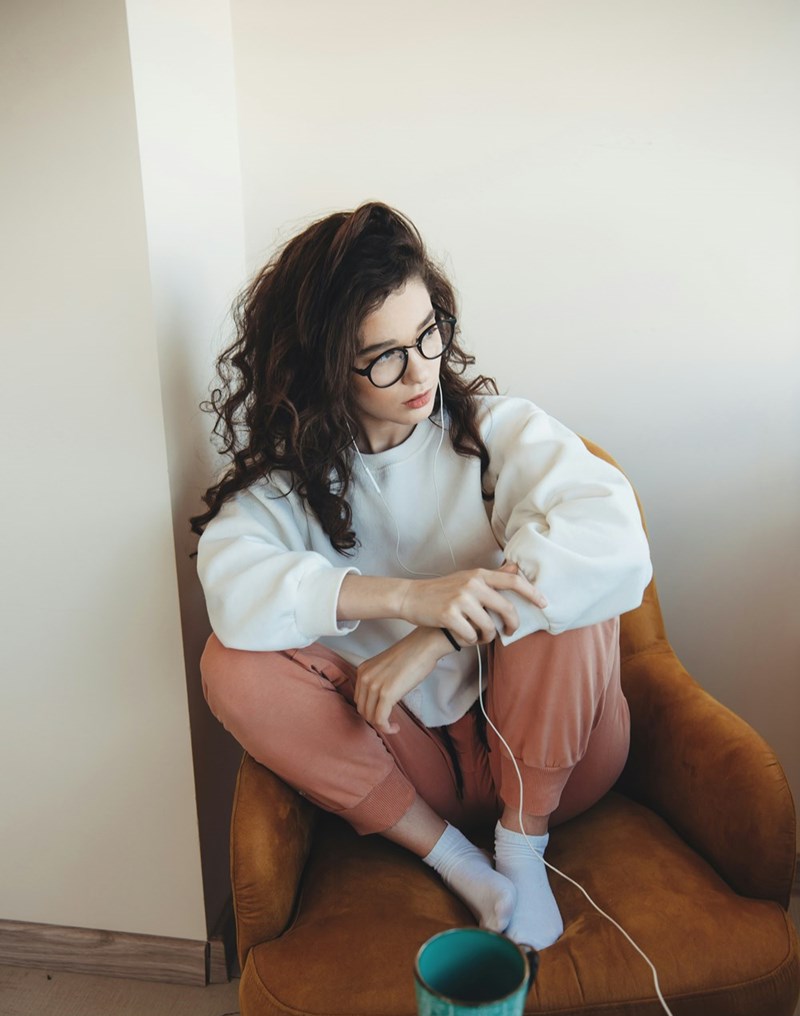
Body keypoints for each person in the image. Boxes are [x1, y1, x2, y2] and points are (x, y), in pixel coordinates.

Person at [192, 201, 652, 951]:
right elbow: (233, 587)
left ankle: (522, 846)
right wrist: (406, 596)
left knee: (565, 582)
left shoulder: (498, 431)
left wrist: (434, 633)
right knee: (231, 664)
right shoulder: (287, 489)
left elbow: (612, 537)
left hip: (559, 754)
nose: (420, 372)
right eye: (383, 356)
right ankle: (456, 859)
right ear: (321, 367)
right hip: (412, 767)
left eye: (428, 335)